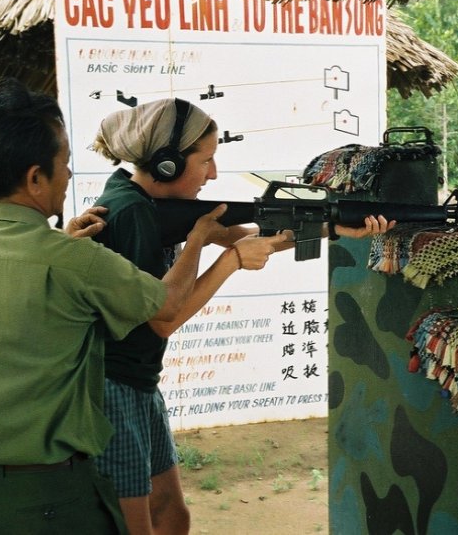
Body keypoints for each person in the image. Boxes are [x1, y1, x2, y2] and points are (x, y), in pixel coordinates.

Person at [0, 79, 227, 534]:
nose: (68, 176)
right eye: (63, 164)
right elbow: (166, 306)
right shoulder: (72, 260)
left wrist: (59, 244)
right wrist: (201, 238)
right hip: (48, 495)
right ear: (34, 177)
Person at [90, 98, 391, 534]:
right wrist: (223, 257)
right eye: (207, 160)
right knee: (138, 525)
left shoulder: (138, 200)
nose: (212, 173)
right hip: (113, 387)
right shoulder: (132, 211)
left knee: (172, 514)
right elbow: (163, 318)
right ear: (168, 165)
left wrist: (331, 225)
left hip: (137, 381)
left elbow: (243, 233)